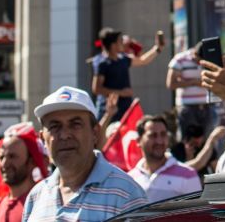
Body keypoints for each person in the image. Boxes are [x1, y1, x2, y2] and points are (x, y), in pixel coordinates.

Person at [24, 86, 147, 220]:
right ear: (42, 138)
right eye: (55, 126)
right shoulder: (36, 197)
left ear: (95, 133)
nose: (64, 135)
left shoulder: (127, 194)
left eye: (75, 124)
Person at [91, 28, 164, 124]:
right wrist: (121, 92)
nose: (123, 42)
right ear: (113, 45)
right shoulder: (102, 63)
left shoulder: (123, 59)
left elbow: (142, 60)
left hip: (125, 110)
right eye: (120, 40)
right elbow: (96, 89)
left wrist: (158, 48)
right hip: (108, 111)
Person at [127, 115, 202, 202]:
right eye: (153, 135)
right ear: (138, 141)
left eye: (163, 134)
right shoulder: (130, 179)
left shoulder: (188, 175)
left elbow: (197, 214)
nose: (159, 141)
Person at [0, 124, 48, 222]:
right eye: (1, 157)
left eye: (12, 156)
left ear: (31, 162)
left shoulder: (43, 204)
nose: (4, 164)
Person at [166, 40, 217, 139]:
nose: (200, 63)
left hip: (206, 105)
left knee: (207, 140)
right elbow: (170, 84)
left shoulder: (209, 60)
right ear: (194, 53)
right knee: (188, 140)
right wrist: (193, 82)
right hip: (187, 107)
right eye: (198, 60)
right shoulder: (180, 59)